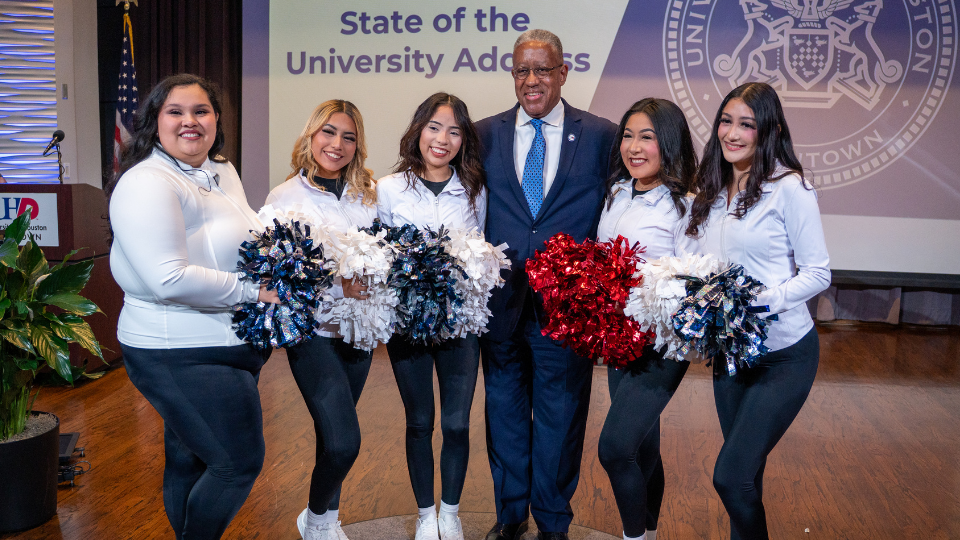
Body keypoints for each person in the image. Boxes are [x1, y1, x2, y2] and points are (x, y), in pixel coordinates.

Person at [107, 73, 280, 540]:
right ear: (155, 122)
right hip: (178, 349)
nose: (190, 121)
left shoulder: (221, 170)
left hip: (229, 341)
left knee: (190, 457)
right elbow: (168, 279)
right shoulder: (146, 182)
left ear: (217, 119)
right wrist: (254, 291)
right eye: (176, 112)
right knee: (237, 464)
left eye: (201, 111)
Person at [476, 29, 617, 540]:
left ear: (563, 72)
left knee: (561, 417)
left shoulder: (602, 135)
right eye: (522, 70)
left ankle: (553, 523)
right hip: (501, 304)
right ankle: (510, 516)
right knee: (504, 413)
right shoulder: (483, 134)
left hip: (567, 309)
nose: (531, 80)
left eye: (541, 69)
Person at [685, 82, 831, 540]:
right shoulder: (710, 188)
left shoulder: (790, 188)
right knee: (746, 477)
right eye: (726, 121)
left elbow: (818, 273)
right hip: (731, 355)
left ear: (769, 131)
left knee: (730, 477)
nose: (732, 133)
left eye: (746, 125)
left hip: (783, 356)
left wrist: (754, 302)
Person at [264, 100, 378, 540]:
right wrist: (334, 285)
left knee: (331, 435)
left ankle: (328, 521)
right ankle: (314, 520)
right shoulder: (284, 197)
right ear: (311, 135)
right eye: (328, 132)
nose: (337, 144)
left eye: (349, 137)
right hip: (312, 332)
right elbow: (273, 274)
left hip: (360, 331)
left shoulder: (368, 194)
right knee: (345, 441)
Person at [376, 92, 486, 540]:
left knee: (456, 423)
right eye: (434, 128)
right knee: (419, 421)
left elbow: (484, 254)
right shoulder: (388, 188)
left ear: (464, 140)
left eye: (454, 131)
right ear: (418, 130)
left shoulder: (476, 190)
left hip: (460, 324)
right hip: (408, 324)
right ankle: (426, 514)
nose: (442, 139)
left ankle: (450, 512)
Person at [595, 98, 698, 540]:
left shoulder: (686, 207)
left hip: (662, 344)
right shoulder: (617, 192)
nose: (634, 147)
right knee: (643, 447)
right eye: (628, 136)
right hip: (620, 338)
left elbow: (694, 283)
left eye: (647, 137)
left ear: (669, 143)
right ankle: (649, 534)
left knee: (615, 449)